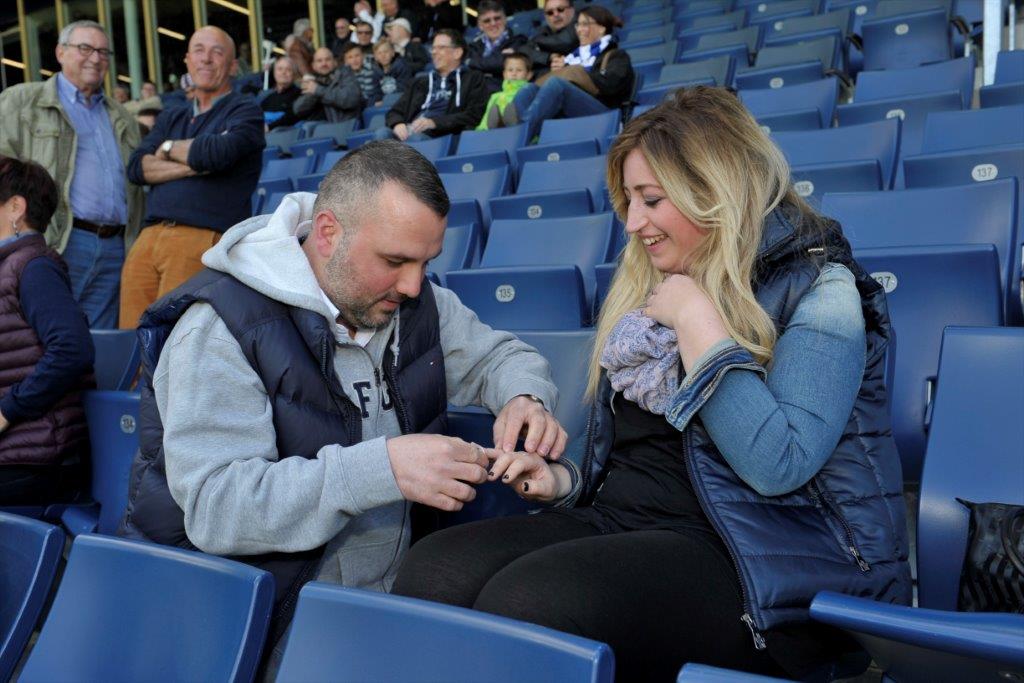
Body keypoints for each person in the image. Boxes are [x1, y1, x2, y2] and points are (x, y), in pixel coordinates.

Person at [392, 89, 912, 681]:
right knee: (434, 571)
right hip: (627, 525)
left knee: (533, 602)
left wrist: (700, 327)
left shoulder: (821, 289)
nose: (634, 223)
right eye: (629, 201)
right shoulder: (657, 285)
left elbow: (778, 464)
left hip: (757, 560)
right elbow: (644, 454)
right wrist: (562, 481)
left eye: (652, 200)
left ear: (715, 192)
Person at [117, 140, 568, 665]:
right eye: (396, 260)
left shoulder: (412, 302)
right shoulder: (220, 329)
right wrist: (382, 468)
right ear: (328, 232)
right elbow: (218, 508)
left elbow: (501, 356)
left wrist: (524, 396)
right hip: (263, 628)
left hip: (387, 605)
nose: (414, 283)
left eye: (426, 262)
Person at [0, 20, 144, 330]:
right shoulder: (21, 102)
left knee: (97, 345)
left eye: (103, 51)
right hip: (56, 243)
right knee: (43, 338)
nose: (95, 58)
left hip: (115, 248)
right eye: (85, 48)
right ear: (60, 52)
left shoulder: (122, 117)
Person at [119, 26, 264, 329]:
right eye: (199, 50)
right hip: (148, 239)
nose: (206, 59)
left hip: (201, 237)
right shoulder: (171, 116)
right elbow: (136, 168)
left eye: (217, 51)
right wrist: (194, 162)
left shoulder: (245, 110)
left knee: (175, 340)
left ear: (233, 65)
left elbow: (220, 152)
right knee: (131, 342)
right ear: (187, 61)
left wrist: (166, 150)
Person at [0, 157, 94, 505]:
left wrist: (7, 410)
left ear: (15, 208)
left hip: (41, 455)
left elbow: (73, 350)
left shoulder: (34, 268)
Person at [507, 4, 632, 140]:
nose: (579, 30)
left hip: (604, 115)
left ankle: (516, 133)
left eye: (585, 24)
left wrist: (577, 72)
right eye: (578, 25)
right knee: (527, 90)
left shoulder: (616, 55)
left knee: (557, 85)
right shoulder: (571, 58)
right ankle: (526, 135)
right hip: (570, 113)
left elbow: (611, 86)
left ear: (601, 29)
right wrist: (566, 69)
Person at [380, 29, 487, 141]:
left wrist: (434, 123)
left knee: (416, 139)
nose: (434, 52)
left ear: (457, 53)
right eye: (433, 48)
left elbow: (474, 115)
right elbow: (394, 112)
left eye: (441, 48)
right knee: (382, 134)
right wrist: (398, 123)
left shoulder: (473, 79)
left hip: (442, 135)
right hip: (412, 131)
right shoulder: (421, 82)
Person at [465, 0, 528, 92]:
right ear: (480, 25)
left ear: (505, 19)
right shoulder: (473, 47)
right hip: (476, 93)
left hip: (503, 93)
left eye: (497, 18)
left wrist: (472, 62)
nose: (493, 24)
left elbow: (503, 63)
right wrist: (499, 59)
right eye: (487, 21)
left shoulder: (518, 41)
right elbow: (468, 71)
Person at [295, 47, 363, 124]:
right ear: (313, 66)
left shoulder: (346, 74)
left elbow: (351, 100)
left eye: (327, 59)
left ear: (335, 62)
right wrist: (313, 93)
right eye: (319, 61)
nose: (324, 64)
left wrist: (318, 90)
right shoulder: (312, 82)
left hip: (345, 127)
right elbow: (298, 110)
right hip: (319, 130)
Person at [520, 0, 578, 76]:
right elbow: (523, 51)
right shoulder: (543, 31)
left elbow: (565, 42)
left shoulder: (579, 25)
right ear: (546, 17)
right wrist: (548, 57)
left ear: (572, 10)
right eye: (550, 12)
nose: (556, 14)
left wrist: (537, 42)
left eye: (560, 9)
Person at [477, 52, 532, 130]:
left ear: (528, 75)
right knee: (494, 113)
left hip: (521, 130)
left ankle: (510, 125)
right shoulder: (495, 96)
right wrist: (480, 132)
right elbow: (486, 120)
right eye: (510, 70)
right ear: (504, 74)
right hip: (494, 135)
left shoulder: (529, 93)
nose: (514, 73)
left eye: (519, 70)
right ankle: (500, 126)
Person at [261, 56, 302, 130]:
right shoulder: (268, 98)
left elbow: (292, 117)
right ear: (274, 73)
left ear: (294, 74)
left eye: (288, 70)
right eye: (280, 69)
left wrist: (269, 127)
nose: (283, 72)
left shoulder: (300, 95)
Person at [343, 41, 383, 107]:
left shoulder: (374, 70)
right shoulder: (342, 77)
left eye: (357, 56)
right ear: (346, 61)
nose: (354, 60)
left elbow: (380, 92)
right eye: (350, 57)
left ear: (363, 56)